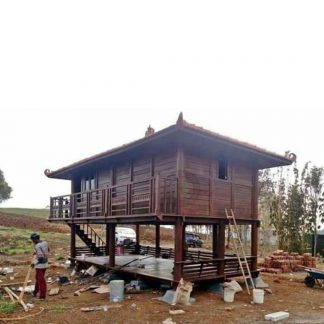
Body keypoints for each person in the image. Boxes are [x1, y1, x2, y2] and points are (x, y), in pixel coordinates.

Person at [30, 233, 49, 300]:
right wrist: (37, 252)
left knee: (41, 280)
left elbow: (40, 258)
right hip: (45, 264)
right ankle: (35, 292)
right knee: (38, 278)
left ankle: (42, 296)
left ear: (35, 239)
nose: (32, 241)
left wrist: (34, 263)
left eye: (32, 240)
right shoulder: (45, 242)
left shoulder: (37, 246)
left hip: (40, 266)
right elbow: (47, 250)